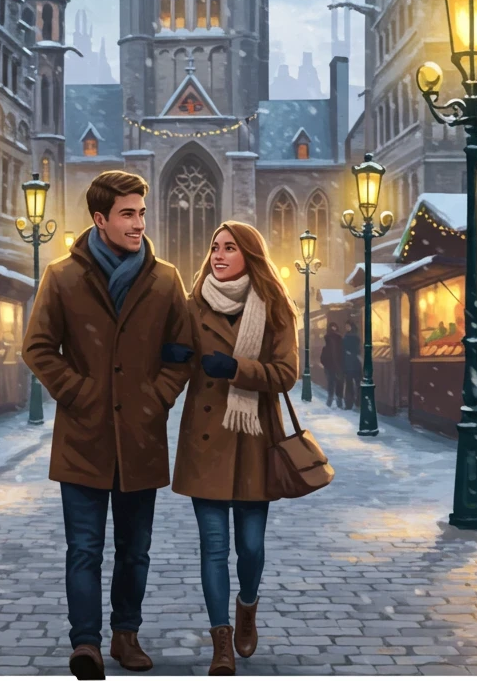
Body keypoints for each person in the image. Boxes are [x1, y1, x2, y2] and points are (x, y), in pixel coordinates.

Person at [23, 170, 195, 680]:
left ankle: (126, 634)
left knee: (134, 551)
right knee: (84, 550)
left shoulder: (165, 279)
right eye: (127, 214)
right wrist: (80, 393)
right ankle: (86, 644)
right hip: (83, 437)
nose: (139, 223)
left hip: (140, 436)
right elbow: (37, 348)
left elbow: (182, 352)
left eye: (141, 213)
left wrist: (156, 399)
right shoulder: (62, 276)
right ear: (100, 219)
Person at [172, 221, 300, 675]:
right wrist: (172, 357)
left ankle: (247, 605)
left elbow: (286, 373)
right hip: (205, 440)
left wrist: (237, 369)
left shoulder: (275, 306)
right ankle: (221, 640)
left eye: (229, 247)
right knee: (213, 546)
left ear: (250, 254)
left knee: (250, 547)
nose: (219, 255)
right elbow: (181, 360)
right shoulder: (193, 305)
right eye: (214, 247)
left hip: (253, 440)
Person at [321, 322, 344, 408]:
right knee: (337, 383)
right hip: (335, 365)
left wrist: (325, 363)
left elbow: (324, 354)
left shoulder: (328, 339)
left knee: (332, 383)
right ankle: (337, 401)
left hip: (332, 365)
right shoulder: (338, 339)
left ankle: (331, 401)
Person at [341, 322, 361, 411]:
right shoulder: (349, 336)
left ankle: (351, 403)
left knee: (353, 384)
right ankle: (353, 403)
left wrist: (349, 352)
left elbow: (356, 350)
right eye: (346, 326)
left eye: (348, 326)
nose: (347, 328)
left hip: (352, 363)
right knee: (352, 384)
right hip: (351, 363)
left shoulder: (351, 337)